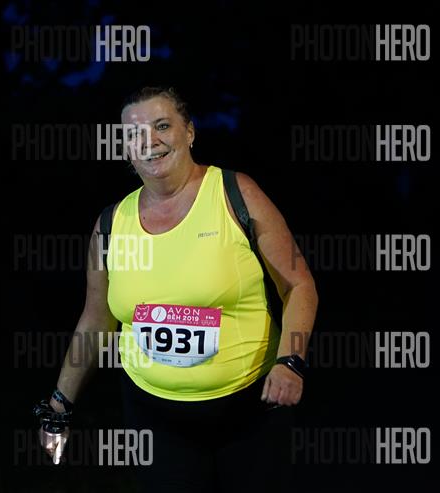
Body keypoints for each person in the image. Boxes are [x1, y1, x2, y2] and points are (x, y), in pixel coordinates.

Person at [36, 87, 318, 492]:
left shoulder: (236, 194)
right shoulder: (112, 224)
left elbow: (299, 285)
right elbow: (96, 320)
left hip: (249, 410)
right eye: (134, 134)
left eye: (162, 126)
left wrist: (290, 361)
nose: (149, 141)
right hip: (153, 418)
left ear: (189, 132)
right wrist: (58, 406)